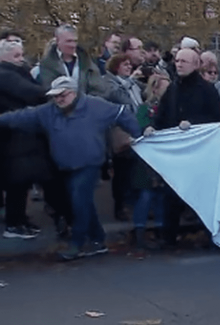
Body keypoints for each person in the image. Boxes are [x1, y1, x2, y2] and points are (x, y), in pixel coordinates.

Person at [0, 76, 141, 260]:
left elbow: (122, 113)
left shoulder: (95, 106)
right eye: (55, 96)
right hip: (65, 166)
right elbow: (21, 117)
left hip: (90, 164)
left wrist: (138, 136)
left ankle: (77, 244)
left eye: (63, 95)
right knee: (85, 204)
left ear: (74, 92)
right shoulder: (48, 112)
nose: (59, 99)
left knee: (79, 203)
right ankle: (98, 240)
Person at [145, 48, 220, 247]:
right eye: (177, 60)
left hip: (198, 152)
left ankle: (211, 236)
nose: (179, 64)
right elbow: (162, 114)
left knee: (201, 196)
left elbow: (215, 120)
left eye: (184, 61)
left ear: (196, 65)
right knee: (171, 194)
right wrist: (153, 127)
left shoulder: (207, 90)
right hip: (175, 152)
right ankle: (168, 237)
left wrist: (194, 123)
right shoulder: (172, 88)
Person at [0, 40, 51, 240]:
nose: (21, 60)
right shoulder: (5, 75)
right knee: (17, 182)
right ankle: (14, 223)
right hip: (13, 136)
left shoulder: (13, 73)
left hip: (16, 134)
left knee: (21, 182)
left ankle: (20, 219)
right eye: (16, 56)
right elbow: (30, 92)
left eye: (21, 55)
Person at [103, 53, 145, 221]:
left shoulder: (133, 83)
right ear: (116, 67)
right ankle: (120, 207)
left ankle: (134, 203)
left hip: (136, 129)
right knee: (121, 171)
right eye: (125, 64)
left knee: (134, 170)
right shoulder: (109, 82)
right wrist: (130, 82)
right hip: (120, 130)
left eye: (130, 64)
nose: (129, 67)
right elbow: (116, 96)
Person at [131, 72, 171, 249]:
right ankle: (139, 231)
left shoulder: (169, 107)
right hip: (147, 160)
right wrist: (146, 127)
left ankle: (161, 230)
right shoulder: (144, 108)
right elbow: (139, 125)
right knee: (146, 196)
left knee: (161, 197)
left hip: (163, 157)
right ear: (155, 88)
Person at [37, 24, 105, 96]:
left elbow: (98, 88)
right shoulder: (47, 64)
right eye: (69, 41)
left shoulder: (87, 61)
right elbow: (48, 90)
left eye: (75, 41)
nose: (73, 45)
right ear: (58, 41)